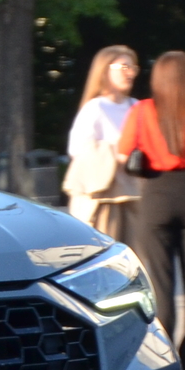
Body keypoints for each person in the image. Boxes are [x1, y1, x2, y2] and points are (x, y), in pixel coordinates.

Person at [118, 50, 185, 370]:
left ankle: (162, 353)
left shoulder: (142, 111)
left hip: (155, 196)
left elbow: (123, 154)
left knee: (162, 282)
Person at [61, 45, 141, 239]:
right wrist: (117, 149)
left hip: (135, 194)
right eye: (124, 67)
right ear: (105, 70)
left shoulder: (137, 107)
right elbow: (78, 151)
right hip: (104, 197)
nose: (130, 73)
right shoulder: (95, 108)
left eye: (133, 68)